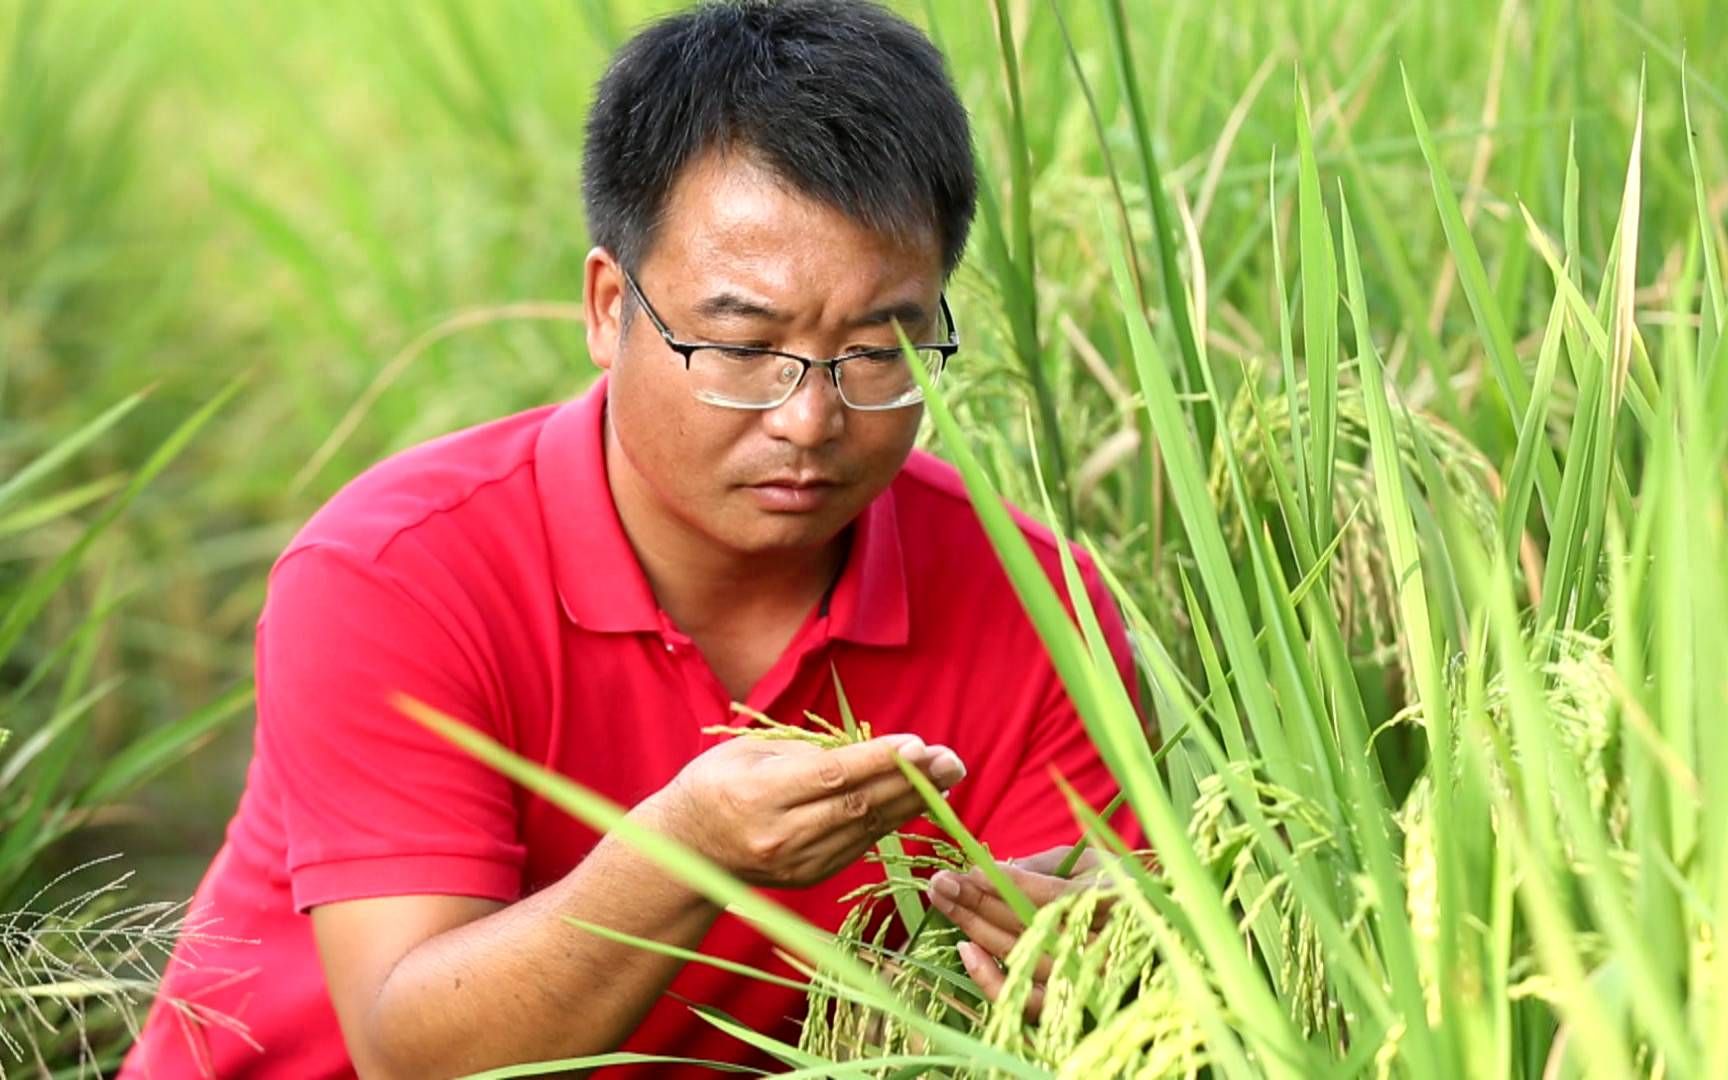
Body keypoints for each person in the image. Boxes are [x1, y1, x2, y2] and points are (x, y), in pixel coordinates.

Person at [120, 2, 1137, 1076]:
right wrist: (683, 855)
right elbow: (410, 1055)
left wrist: (1096, 974)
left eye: (880, 351)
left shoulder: (1037, 600)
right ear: (610, 309)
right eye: (744, 344)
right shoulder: (394, 575)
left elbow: (1093, 957)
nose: (809, 418)